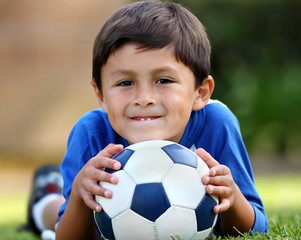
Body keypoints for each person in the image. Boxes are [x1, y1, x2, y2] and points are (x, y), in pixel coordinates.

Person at [24, 1, 268, 239]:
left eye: (163, 80)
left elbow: (256, 228)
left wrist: (232, 197)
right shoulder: (92, 132)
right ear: (101, 95)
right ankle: (44, 199)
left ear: (200, 92)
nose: (144, 98)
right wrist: (78, 193)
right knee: (54, 211)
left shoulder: (217, 124)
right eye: (125, 83)